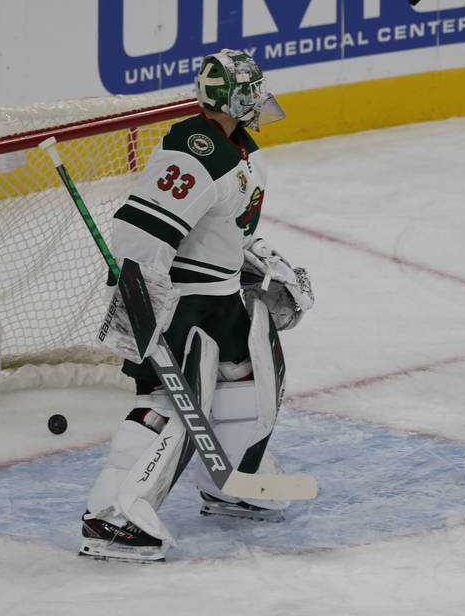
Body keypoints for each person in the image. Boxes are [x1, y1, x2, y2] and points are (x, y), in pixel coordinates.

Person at [79, 49, 314, 563]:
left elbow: (220, 229)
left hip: (220, 297)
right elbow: (139, 235)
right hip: (181, 304)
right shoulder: (196, 153)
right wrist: (143, 310)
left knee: (246, 374)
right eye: (253, 89)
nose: (261, 99)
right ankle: (112, 516)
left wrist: (252, 263)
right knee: (171, 402)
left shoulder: (240, 151)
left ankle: (232, 482)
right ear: (239, 96)